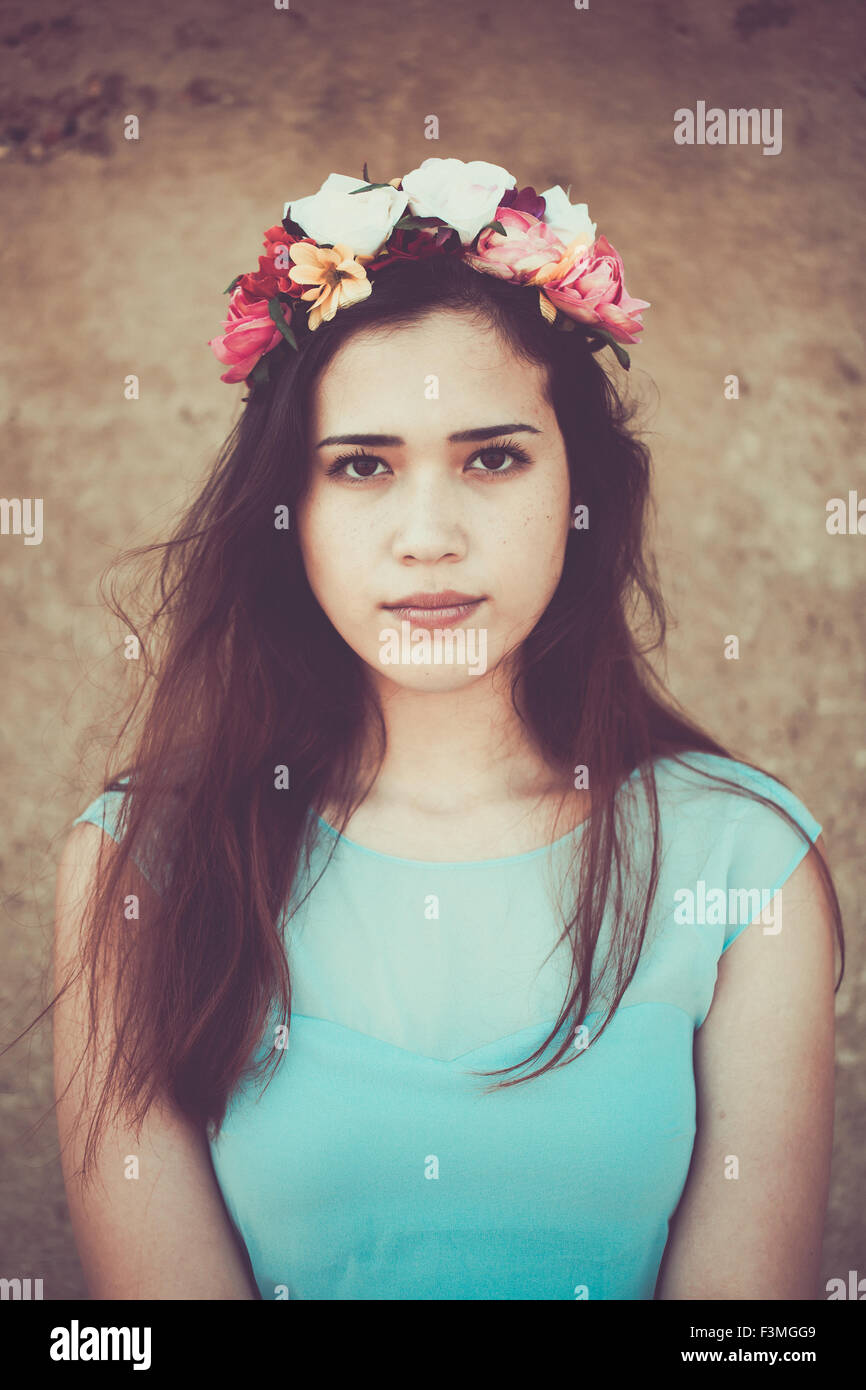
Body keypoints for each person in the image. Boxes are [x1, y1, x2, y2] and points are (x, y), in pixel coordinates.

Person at [54, 158, 843, 1301]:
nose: (428, 536)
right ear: (291, 512)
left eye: (491, 457)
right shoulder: (142, 865)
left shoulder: (743, 864)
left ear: (583, 489)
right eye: (362, 465)